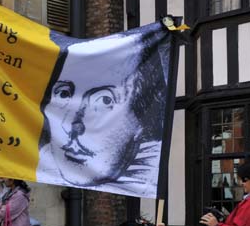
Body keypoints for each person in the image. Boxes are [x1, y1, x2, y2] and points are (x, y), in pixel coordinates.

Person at [36, 26, 169, 198]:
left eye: (105, 99)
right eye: (63, 93)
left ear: (142, 119)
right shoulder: (35, 161)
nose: (73, 126)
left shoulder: (148, 176)